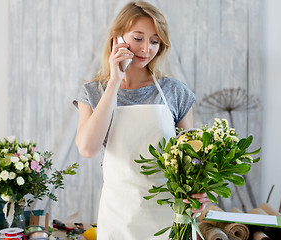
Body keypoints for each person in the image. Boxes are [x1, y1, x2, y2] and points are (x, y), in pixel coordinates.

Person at [73, 1, 209, 239]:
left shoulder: (175, 92)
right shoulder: (93, 93)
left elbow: (193, 160)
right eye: (138, 38)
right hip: (118, 217)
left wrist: (199, 193)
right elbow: (87, 148)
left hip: (170, 217)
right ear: (117, 39)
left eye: (155, 41)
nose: (146, 49)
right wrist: (114, 81)